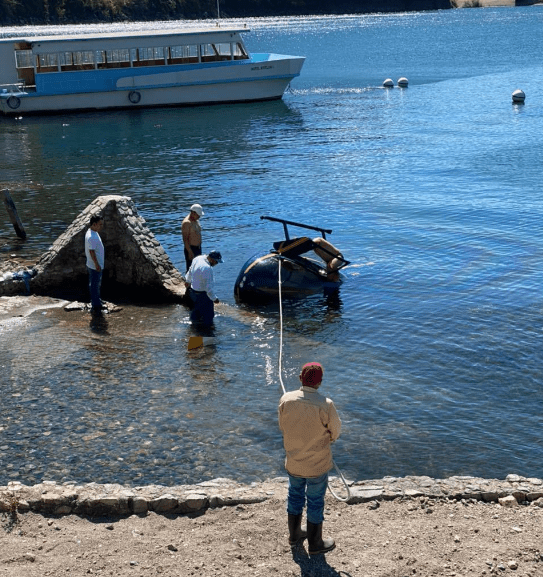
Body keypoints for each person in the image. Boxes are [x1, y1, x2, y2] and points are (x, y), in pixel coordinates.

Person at [278, 362, 341, 555]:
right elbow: (336, 432)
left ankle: (295, 534)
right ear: (320, 382)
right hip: (317, 466)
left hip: (294, 462)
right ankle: (315, 543)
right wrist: (327, 439)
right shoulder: (326, 404)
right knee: (315, 501)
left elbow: (283, 426)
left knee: (294, 496)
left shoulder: (286, 399)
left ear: (300, 379)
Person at [184, 250, 223, 326]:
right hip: (203, 295)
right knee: (208, 317)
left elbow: (190, 270)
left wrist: (188, 281)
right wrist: (214, 299)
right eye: (216, 262)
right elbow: (208, 288)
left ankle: (194, 331)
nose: (216, 264)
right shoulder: (207, 268)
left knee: (195, 314)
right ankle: (207, 333)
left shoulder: (198, 258)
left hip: (193, 292)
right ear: (212, 259)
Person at [85, 214, 105, 315]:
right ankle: (96, 305)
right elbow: (92, 252)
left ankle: (97, 301)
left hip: (93, 265)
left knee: (95, 283)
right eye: (100, 224)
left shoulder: (93, 232)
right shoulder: (92, 236)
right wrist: (97, 265)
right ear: (94, 224)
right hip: (94, 266)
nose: (101, 226)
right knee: (94, 285)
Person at [182, 204, 204, 272]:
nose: (199, 217)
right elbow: (185, 239)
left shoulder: (196, 220)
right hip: (191, 249)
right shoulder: (187, 223)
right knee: (191, 269)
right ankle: (189, 282)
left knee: (198, 268)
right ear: (193, 213)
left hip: (198, 248)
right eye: (198, 215)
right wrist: (189, 251)